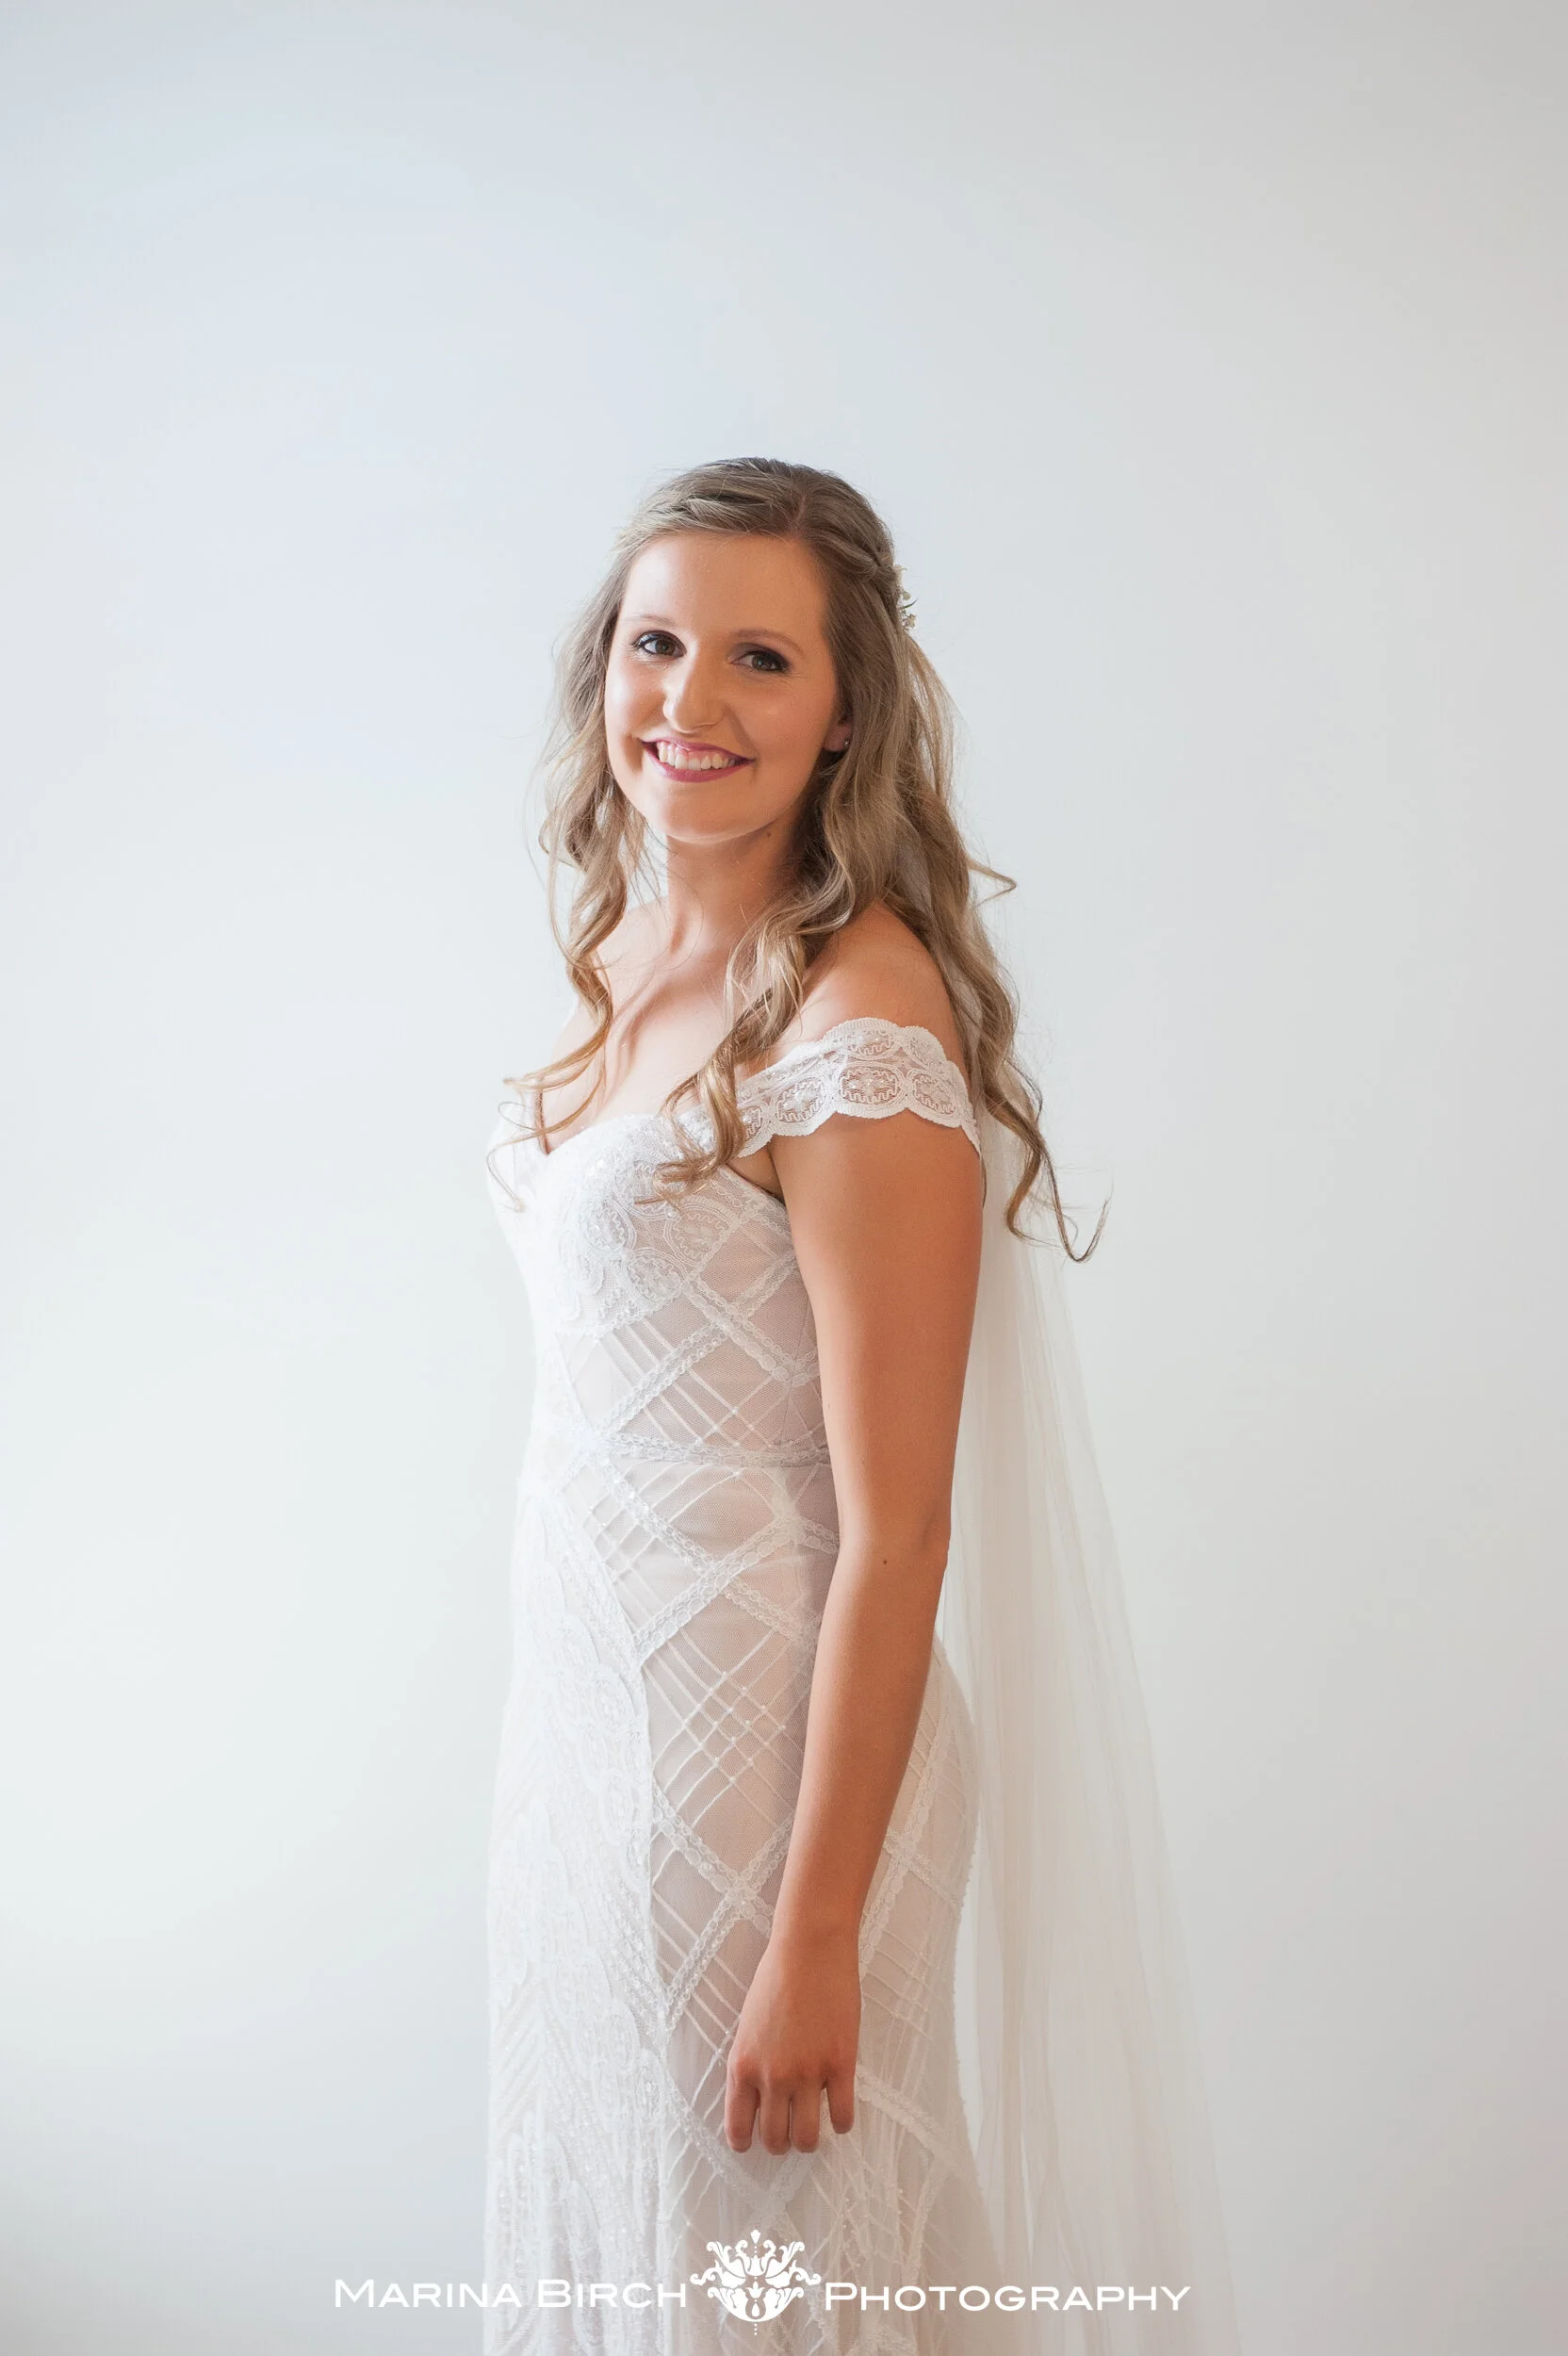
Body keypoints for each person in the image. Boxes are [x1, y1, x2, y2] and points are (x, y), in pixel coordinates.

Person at [482, 459, 1241, 2355]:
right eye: (657, 644)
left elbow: (901, 1531)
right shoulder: (626, 958)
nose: (690, 699)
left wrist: (813, 1933)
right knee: (629, 2242)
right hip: (588, 1726)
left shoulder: (856, 1021)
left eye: (761, 657)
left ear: (845, 713)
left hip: (766, 1769)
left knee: (770, 2282)